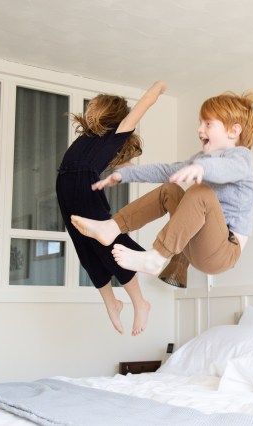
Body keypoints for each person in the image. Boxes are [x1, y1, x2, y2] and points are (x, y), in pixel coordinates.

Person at [70, 90, 253, 289]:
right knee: (170, 189)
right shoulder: (202, 160)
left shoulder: (242, 158)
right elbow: (166, 171)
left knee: (200, 192)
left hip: (224, 251)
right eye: (200, 123)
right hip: (195, 245)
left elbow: (226, 169)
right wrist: (125, 175)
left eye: (208, 124)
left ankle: (156, 257)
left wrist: (202, 168)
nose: (199, 129)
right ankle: (112, 228)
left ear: (233, 131)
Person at [56, 80, 166, 336]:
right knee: (85, 250)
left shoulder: (118, 131)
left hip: (84, 188)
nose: (88, 108)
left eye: (94, 104)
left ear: (108, 108)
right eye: (88, 105)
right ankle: (111, 302)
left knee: (109, 246)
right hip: (66, 190)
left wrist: (159, 86)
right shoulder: (89, 137)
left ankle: (140, 302)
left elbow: (145, 102)